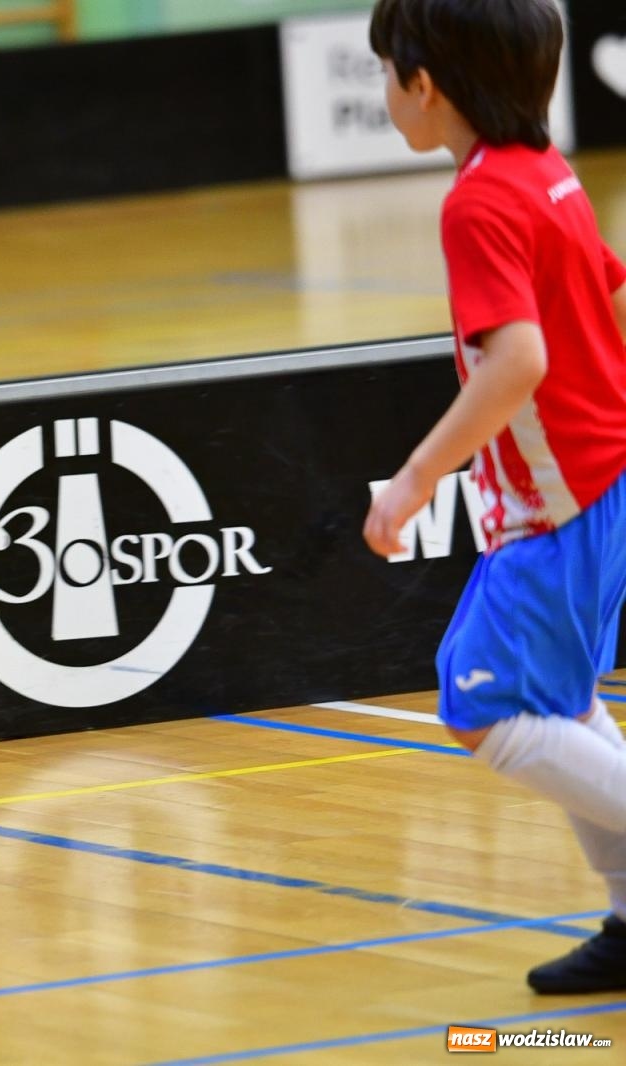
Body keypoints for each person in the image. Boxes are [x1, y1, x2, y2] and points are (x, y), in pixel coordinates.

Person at [364, 0, 626, 993]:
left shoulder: (478, 201)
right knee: (555, 702)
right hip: (598, 489)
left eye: (388, 70)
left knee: (480, 700)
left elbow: (517, 358)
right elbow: (608, 290)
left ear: (422, 84)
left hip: (563, 504)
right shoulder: (546, 175)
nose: (387, 90)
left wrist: (414, 481)